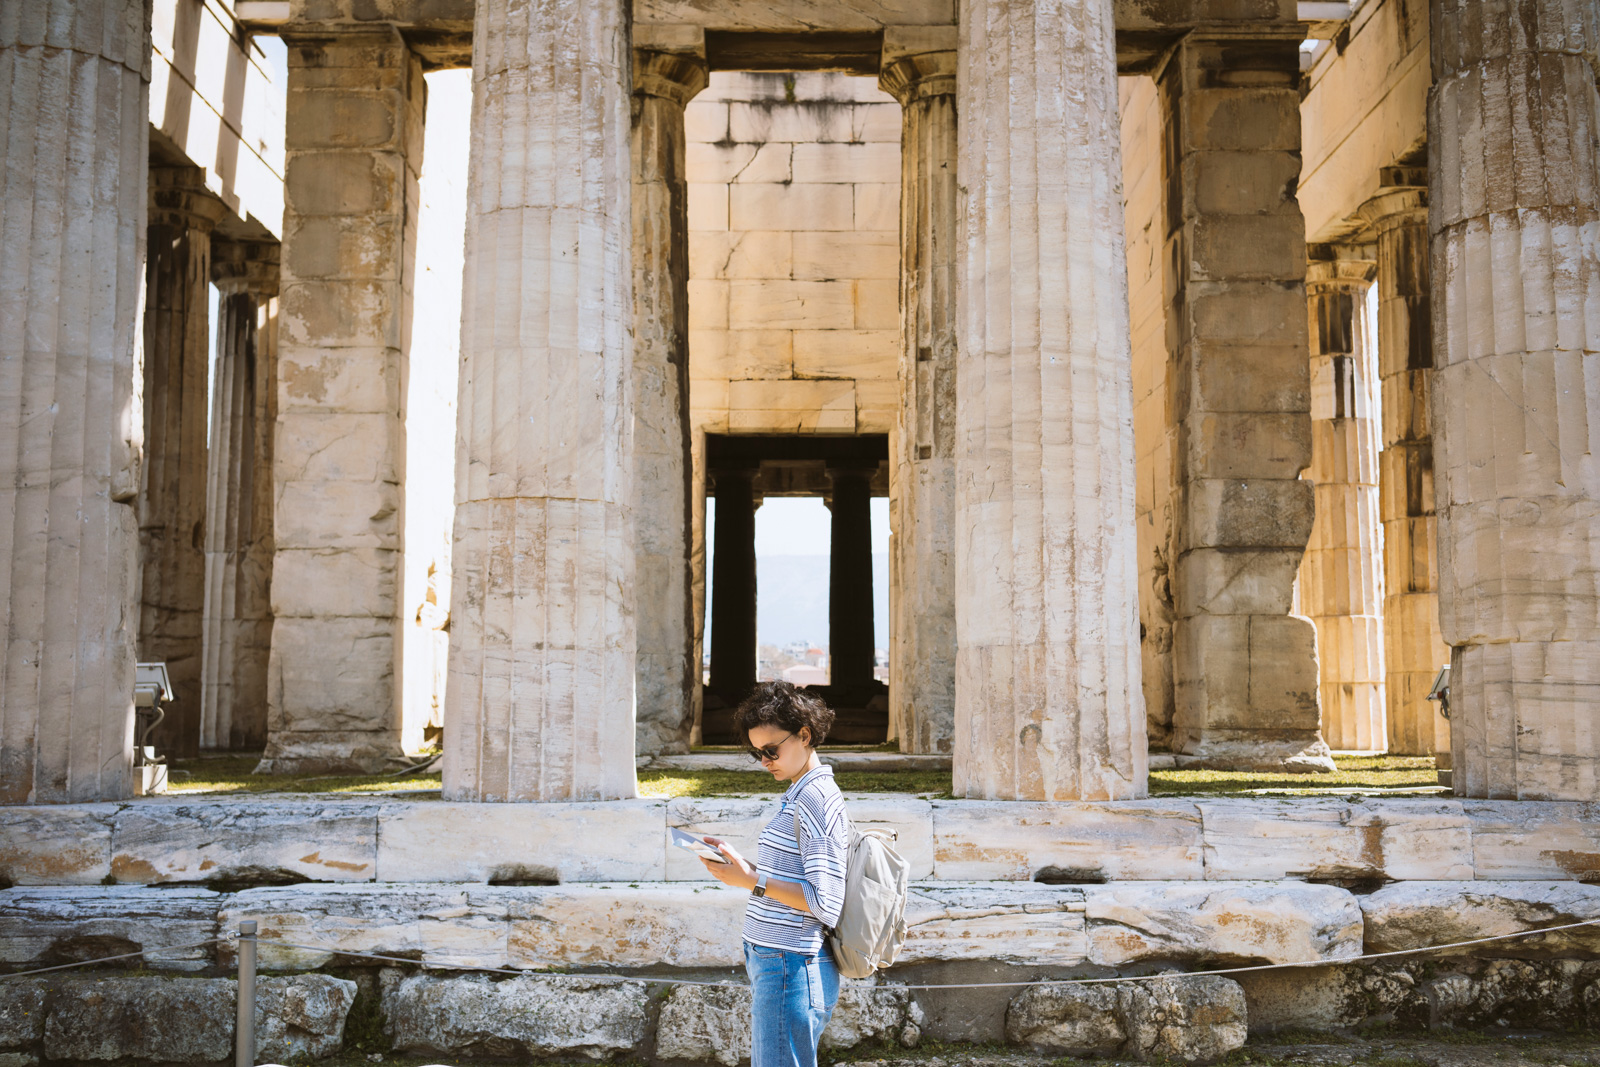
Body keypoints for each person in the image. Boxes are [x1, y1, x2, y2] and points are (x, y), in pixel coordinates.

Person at [697, 680, 850, 1067]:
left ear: (805, 734)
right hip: (778, 961)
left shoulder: (815, 799)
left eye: (770, 750)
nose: (765, 761)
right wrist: (744, 867)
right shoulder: (799, 791)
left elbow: (824, 902)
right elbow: (794, 874)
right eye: (756, 753)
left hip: (791, 964)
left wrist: (751, 881)